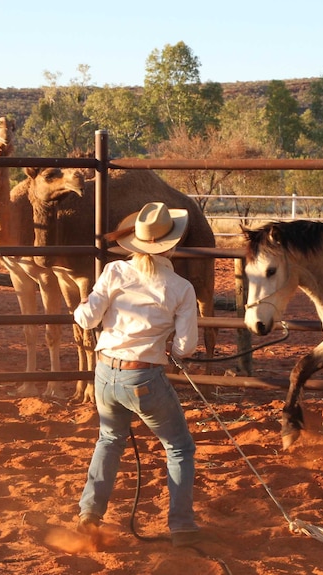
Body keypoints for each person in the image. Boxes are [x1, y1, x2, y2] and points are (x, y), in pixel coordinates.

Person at [73, 201, 201, 548]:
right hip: (144, 377)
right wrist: (171, 351)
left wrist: (85, 304)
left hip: (105, 372)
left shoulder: (115, 272)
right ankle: (182, 525)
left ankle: (90, 513)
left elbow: (85, 319)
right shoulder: (180, 288)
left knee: (109, 440)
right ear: (170, 244)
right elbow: (187, 346)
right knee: (178, 447)